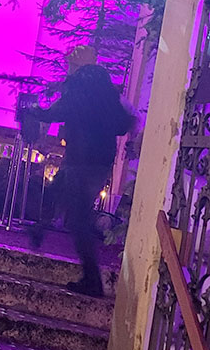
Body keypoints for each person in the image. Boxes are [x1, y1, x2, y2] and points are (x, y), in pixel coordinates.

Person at [23, 60, 133, 297]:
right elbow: (123, 126)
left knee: (77, 219)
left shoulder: (76, 94)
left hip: (78, 162)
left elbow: (53, 113)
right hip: (99, 164)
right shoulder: (109, 99)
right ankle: (39, 229)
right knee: (56, 191)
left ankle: (92, 280)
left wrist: (31, 109)